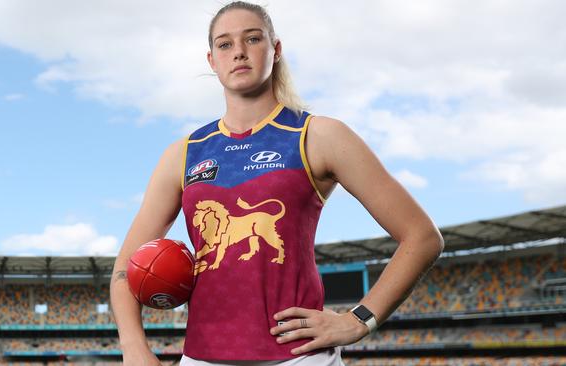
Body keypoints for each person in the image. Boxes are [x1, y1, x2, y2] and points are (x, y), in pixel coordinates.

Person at [110, 2, 444, 365]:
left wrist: (359, 319)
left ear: (276, 49)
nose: (238, 51)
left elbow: (422, 236)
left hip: (299, 356)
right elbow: (127, 266)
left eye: (252, 39)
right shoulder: (185, 153)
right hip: (202, 357)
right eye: (224, 44)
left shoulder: (318, 135)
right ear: (211, 60)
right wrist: (133, 346)